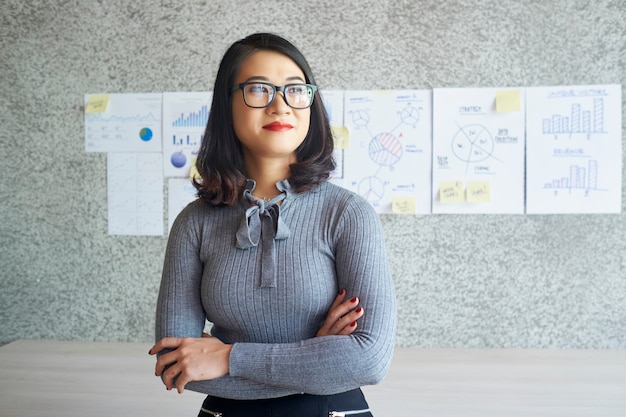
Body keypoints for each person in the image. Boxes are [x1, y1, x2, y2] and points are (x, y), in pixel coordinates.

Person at [149, 32, 396, 417]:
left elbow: (368, 360)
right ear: (226, 104)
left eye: (296, 90)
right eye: (259, 89)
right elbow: (176, 364)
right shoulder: (193, 223)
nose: (281, 106)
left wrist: (230, 358)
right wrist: (316, 354)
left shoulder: (347, 214)